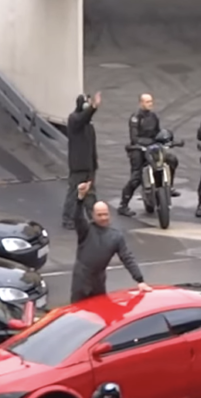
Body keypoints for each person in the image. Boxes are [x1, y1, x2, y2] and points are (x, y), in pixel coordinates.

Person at [71, 181, 152, 303]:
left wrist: (140, 280)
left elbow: (127, 258)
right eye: (99, 215)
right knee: (77, 314)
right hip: (81, 280)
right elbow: (77, 217)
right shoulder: (86, 230)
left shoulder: (115, 236)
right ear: (93, 216)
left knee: (101, 313)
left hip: (98, 282)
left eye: (105, 214)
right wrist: (80, 198)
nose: (103, 218)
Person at [117, 94, 180, 217]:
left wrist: (166, 140)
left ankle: (169, 186)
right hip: (138, 149)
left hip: (153, 147)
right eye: (147, 102)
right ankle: (123, 205)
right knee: (136, 177)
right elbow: (134, 138)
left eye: (151, 101)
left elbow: (158, 133)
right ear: (141, 103)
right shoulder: (135, 118)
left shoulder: (154, 116)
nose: (150, 104)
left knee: (172, 160)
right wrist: (150, 143)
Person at [62, 92, 100, 230]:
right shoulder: (74, 120)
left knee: (90, 194)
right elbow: (82, 118)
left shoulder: (88, 125)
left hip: (89, 166)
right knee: (73, 192)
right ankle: (68, 219)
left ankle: (93, 217)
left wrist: (94, 164)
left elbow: (92, 146)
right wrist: (93, 107)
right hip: (78, 165)